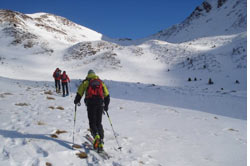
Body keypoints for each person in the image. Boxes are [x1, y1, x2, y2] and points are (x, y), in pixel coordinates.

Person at [74, 69, 110, 152]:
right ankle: (101, 140)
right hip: (100, 104)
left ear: (88, 74)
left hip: (90, 104)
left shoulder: (86, 82)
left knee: (92, 122)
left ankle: (96, 136)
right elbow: (107, 95)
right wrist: (106, 106)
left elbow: (79, 93)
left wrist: (76, 101)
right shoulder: (100, 82)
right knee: (98, 123)